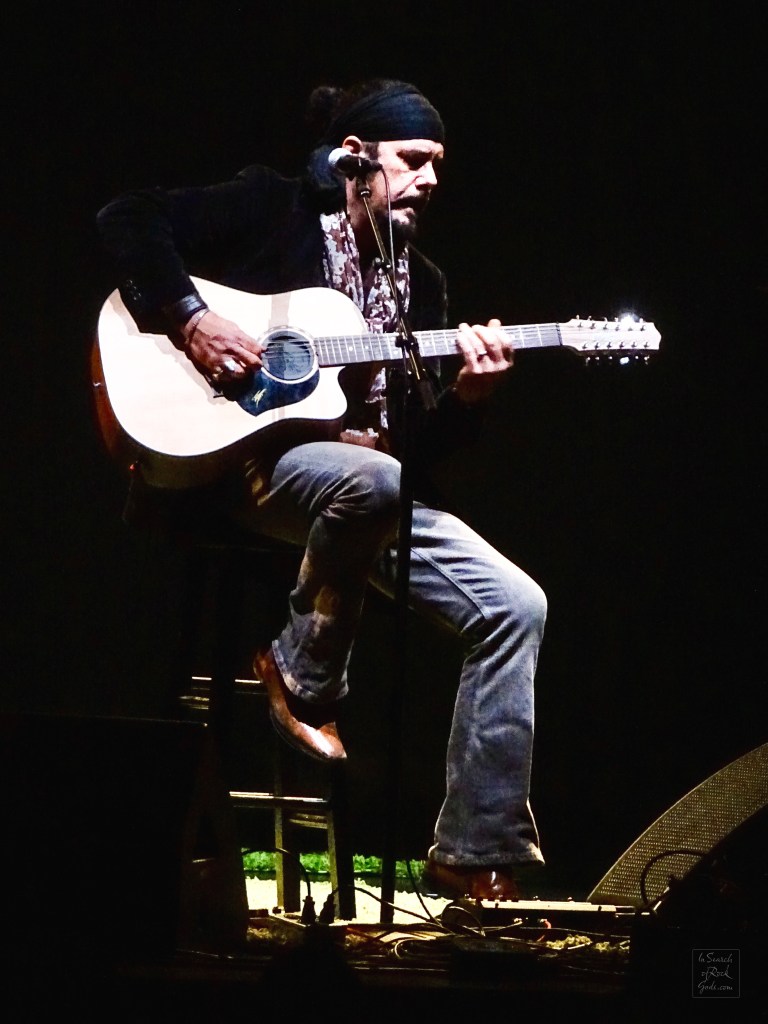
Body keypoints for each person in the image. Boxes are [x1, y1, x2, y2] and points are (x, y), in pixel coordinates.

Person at [96, 79, 548, 901]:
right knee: (371, 480)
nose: (432, 180)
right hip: (246, 466)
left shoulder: (424, 288)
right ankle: (303, 677)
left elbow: (412, 456)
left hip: (361, 494)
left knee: (518, 606)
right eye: (415, 160)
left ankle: (473, 848)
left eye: (440, 165)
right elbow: (128, 217)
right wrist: (193, 320)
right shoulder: (275, 208)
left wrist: (469, 403)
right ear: (355, 159)